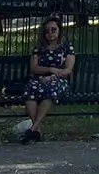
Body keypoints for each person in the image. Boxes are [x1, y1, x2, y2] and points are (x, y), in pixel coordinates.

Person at [21, 14, 75, 143]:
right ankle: (36, 130)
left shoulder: (67, 48)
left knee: (50, 91)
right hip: (39, 80)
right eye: (47, 31)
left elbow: (67, 70)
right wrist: (49, 70)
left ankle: (33, 128)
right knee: (30, 91)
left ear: (59, 30)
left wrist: (53, 75)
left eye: (53, 29)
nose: (50, 33)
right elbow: (34, 67)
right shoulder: (38, 49)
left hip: (58, 81)